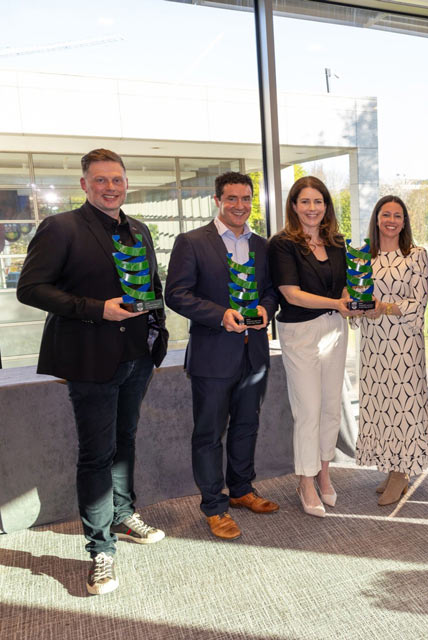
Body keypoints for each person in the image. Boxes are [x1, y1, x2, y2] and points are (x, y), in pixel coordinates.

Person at [16, 148, 169, 595]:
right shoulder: (60, 228)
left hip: (137, 360)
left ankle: (123, 516)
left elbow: (151, 290)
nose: (110, 187)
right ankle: (100, 550)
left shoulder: (138, 229)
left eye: (117, 179)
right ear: (84, 185)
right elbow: (30, 288)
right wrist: (95, 309)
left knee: (125, 443)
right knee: (96, 455)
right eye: (100, 180)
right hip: (89, 361)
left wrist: (156, 343)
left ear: (126, 183)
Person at [165, 171, 280, 540]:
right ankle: (214, 506)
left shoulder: (262, 245)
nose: (240, 206)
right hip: (213, 355)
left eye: (246, 199)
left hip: (254, 353)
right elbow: (177, 294)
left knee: (247, 426)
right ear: (218, 200)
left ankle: (242, 490)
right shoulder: (192, 242)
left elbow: (270, 291)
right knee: (209, 434)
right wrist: (220, 315)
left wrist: (265, 309)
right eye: (232, 198)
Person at [269, 176, 359, 518]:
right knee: (307, 409)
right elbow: (291, 294)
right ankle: (305, 481)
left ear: (326, 206)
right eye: (304, 202)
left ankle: (324, 473)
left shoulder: (336, 243)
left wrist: (348, 300)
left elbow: (345, 287)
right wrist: (336, 304)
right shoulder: (282, 245)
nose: (312, 208)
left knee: (330, 408)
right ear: (294, 206)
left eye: (318, 202)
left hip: (335, 330)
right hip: (300, 332)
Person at [353, 196, 428, 506]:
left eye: (397, 215)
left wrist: (385, 307)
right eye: (385, 214)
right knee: (379, 404)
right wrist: (359, 307)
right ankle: (391, 467)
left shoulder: (415, 255)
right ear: (376, 218)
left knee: (403, 405)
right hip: (373, 343)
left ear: (405, 221)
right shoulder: (363, 256)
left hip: (402, 345)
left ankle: (402, 470)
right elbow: (357, 295)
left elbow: (419, 301)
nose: (391, 219)